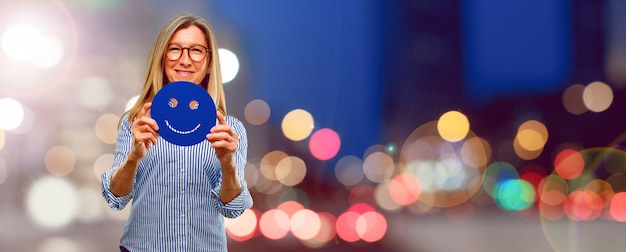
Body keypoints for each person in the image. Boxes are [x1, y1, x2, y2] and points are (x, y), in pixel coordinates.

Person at [100, 13, 253, 252]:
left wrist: (227, 164)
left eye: (196, 50)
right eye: (175, 49)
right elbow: (116, 199)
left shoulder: (230, 131)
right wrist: (133, 158)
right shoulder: (136, 123)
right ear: (161, 57)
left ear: (209, 61)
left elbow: (232, 209)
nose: (185, 60)